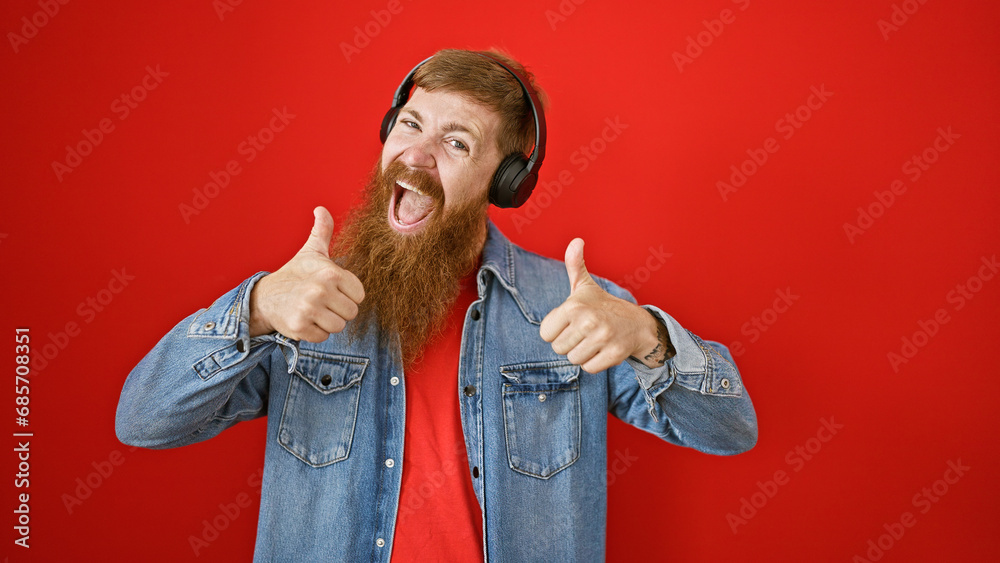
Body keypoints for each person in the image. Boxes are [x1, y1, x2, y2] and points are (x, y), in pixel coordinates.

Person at [115, 48, 757, 562]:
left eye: (457, 144)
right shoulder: (299, 300)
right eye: (410, 125)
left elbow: (731, 432)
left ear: (505, 181)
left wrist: (648, 335)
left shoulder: (574, 308)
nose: (416, 156)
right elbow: (143, 421)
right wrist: (252, 309)